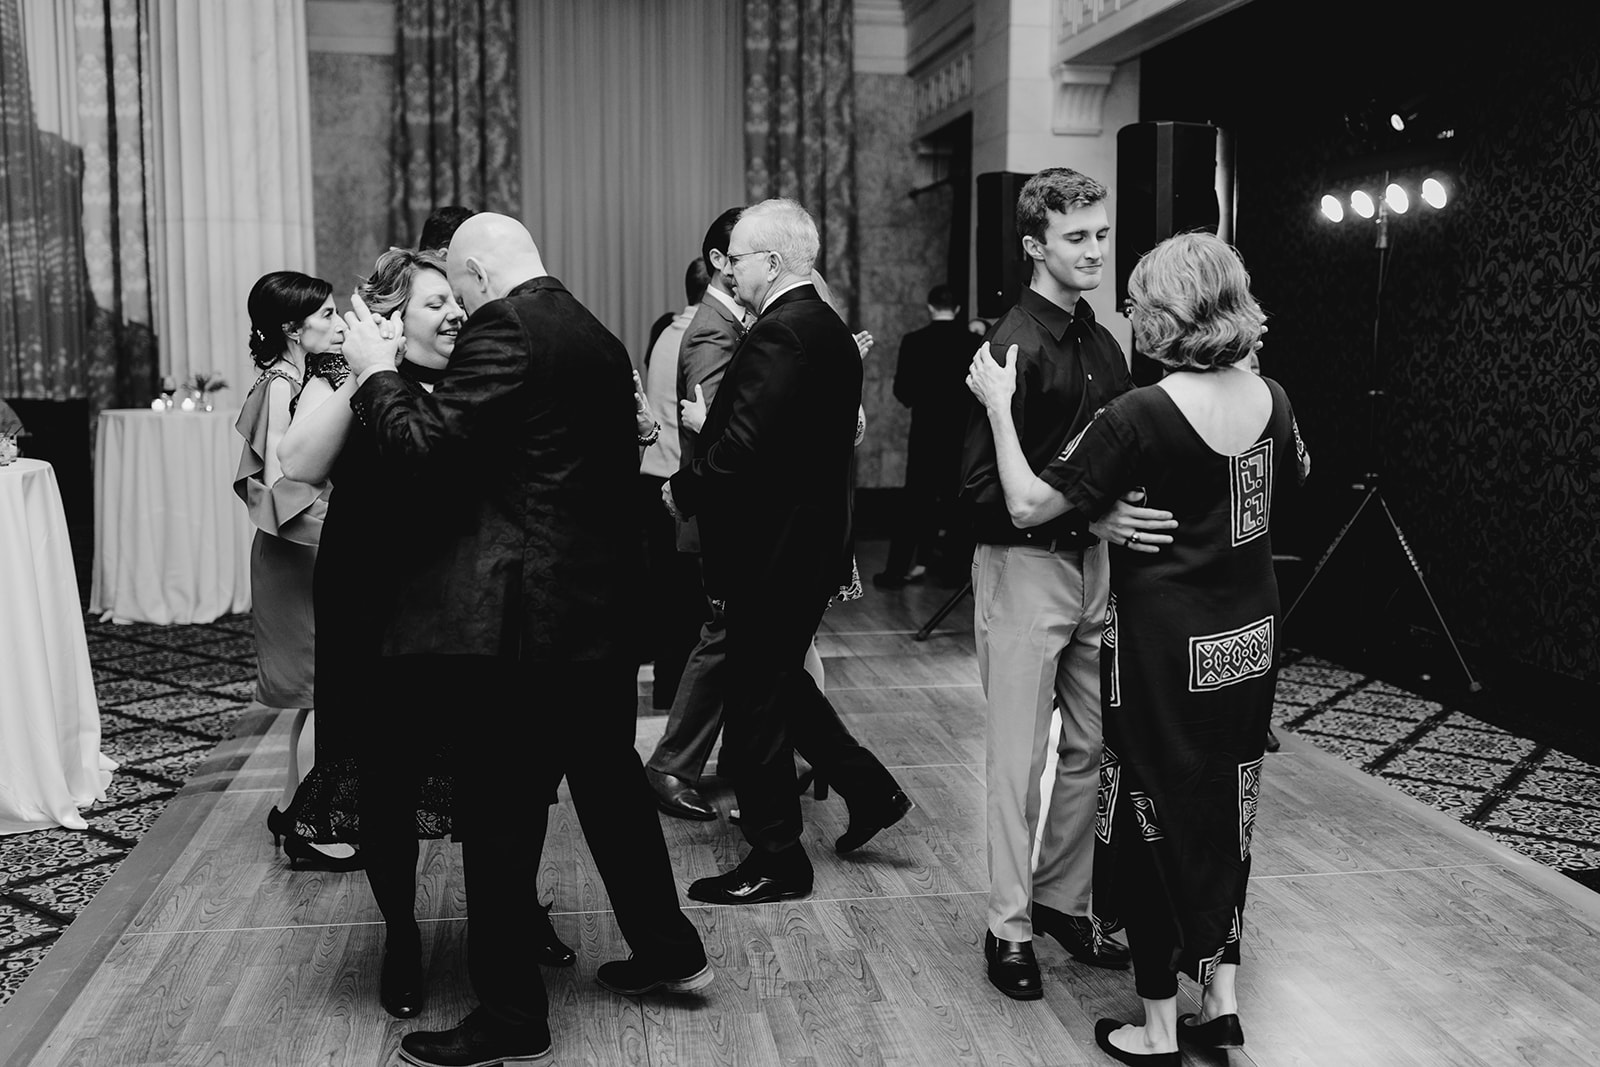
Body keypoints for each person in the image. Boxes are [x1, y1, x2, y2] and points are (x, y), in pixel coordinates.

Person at [335, 213, 709, 1067]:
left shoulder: (507, 324)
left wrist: (374, 374)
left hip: (523, 626)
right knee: (611, 789)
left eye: (459, 288)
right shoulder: (593, 329)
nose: (461, 307)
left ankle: (511, 1017)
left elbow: (428, 447)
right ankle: (666, 946)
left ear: (475, 271)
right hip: (594, 613)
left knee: (500, 820)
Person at [966, 231, 1309, 1064]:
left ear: (1164, 312)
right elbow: (1293, 480)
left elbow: (1021, 504)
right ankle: (1219, 1000)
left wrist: (1001, 412)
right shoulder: (1275, 397)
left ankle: (1157, 1027)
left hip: (1164, 642)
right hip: (1249, 636)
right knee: (1228, 808)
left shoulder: (1140, 415)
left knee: (1147, 812)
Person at [957, 168, 1177, 1000]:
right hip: (1024, 574)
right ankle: (1007, 925)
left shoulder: (1103, 341)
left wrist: (1110, 517)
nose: (1095, 250)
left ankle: (1059, 898)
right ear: (1034, 245)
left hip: (1096, 572)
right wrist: (1093, 516)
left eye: (1100, 233)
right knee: (1019, 763)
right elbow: (982, 496)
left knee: (1093, 746)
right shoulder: (1010, 343)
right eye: (1077, 237)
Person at [663, 198, 912, 907]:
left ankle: (778, 858)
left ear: (770, 262)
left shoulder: (781, 333)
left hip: (772, 551)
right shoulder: (824, 328)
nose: (729, 267)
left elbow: (743, 447)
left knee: (755, 710)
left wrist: (685, 489)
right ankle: (871, 790)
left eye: (737, 257)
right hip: (805, 546)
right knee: (777, 686)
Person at [233, 271, 358, 872]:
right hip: (300, 551)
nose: (339, 325)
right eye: (328, 316)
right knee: (322, 692)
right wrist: (345, 528)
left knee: (315, 696)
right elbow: (284, 480)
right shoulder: (284, 385)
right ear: (292, 328)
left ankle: (290, 809)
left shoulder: (287, 378)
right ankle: (309, 831)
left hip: (296, 548)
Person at [643, 207, 749, 822]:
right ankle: (671, 765)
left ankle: (760, 754)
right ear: (719, 261)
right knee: (725, 639)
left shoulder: (731, 322)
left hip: (720, 509)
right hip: (724, 513)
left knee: (736, 641)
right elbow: (718, 435)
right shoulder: (711, 330)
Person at [639, 258, 713, 710]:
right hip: (679, 483)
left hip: (652, 477)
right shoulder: (702, 338)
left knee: (668, 597)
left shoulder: (665, 332)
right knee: (692, 604)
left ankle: (668, 690)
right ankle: (688, 701)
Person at [877, 283, 976, 589]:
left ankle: (895, 572)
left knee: (913, 502)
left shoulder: (913, 341)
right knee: (958, 502)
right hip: (961, 437)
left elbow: (902, 392)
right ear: (958, 309)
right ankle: (956, 572)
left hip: (925, 434)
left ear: (931, 307)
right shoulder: (972, 342)